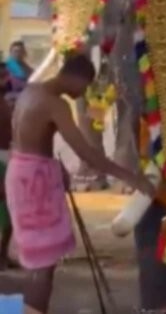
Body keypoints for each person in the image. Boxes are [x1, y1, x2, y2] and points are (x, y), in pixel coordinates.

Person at [7, 54, 155, 313]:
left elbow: (28, 140)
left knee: (36, 261)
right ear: (76, 78)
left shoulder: (31, 91)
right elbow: (87, 153)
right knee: (42, 268)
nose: (84, 93)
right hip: (35, 184)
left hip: (21, 174)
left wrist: (53, 165)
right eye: (86, 86)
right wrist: (131, 177)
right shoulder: (56, 104)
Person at [0, 63, 14, 270]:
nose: (5, 80)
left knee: (10, 210)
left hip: (7, 156)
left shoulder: (5, 101)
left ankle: (3, 254)